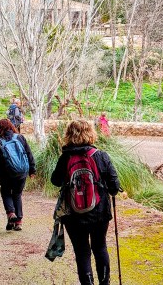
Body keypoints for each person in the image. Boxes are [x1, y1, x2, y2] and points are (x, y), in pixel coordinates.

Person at [51, 120, 120, 285]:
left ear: (69, 135)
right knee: (100, 247)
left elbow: (55, 180)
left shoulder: (65, 157)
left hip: (73, 214)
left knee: (82, 252)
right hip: (99, 212)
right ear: (90, 133)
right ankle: (105, 283)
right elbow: (114, 187)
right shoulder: (100, 156)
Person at [0, 118, 35, 231]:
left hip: (5, 173)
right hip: (21, 172)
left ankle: (11, 214)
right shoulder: (19, 137)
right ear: (11, 127)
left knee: (6, 193)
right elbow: (29, 154)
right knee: (17, 194)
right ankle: (18, 222)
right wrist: (32, 170)